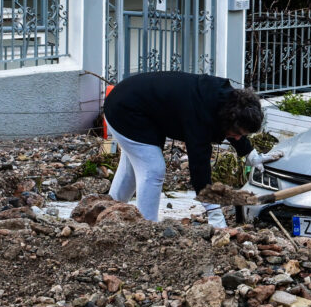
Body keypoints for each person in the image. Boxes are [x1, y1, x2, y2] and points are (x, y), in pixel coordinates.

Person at [102, 72, 265, 222]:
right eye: (237, 133)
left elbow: (233, 128)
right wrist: (213, 209)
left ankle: (106, 214)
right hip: (125, 110)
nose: (237, 138)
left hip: (133, 103)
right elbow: (199, 165)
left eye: (242, 135)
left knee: (131, 170)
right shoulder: (201, 114)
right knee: (153, 170)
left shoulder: (227, 101)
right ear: (229, 120)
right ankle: (148, 228)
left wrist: (250, 153)